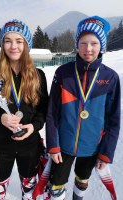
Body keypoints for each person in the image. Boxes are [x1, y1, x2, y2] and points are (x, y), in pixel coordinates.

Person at [46, 16, 120, 200]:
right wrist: (53, 145)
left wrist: (106, 152)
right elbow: (52, 113)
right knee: (56, 183)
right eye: (83, 43)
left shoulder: (110, 78)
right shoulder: (62, 73)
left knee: (82, 180)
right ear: (77, 44)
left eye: (94, 43)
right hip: (63, 146)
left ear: (101, 46)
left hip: (92, 147)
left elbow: (114, 120)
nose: (88, 49)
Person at [0, 19, 48, 200]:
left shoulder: (38, 75)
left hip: (30, 146)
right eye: (8, 40)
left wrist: (34, 126)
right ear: (2, 44)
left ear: (27, 45)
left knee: (30, 193)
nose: (13, 46)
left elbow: (44, 109)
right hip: (0, 146)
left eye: (19, 41)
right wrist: (0, 118)